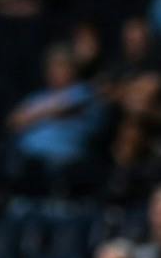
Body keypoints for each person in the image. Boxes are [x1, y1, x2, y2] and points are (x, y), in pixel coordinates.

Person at [8, 45, 107, 174]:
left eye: (61, 65)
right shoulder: (38, 96)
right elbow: (13, 121)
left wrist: (33, 114)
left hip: (64, 164)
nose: (54, 71)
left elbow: (64, 106)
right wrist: (43, 111)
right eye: (51, 66)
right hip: (27, 161)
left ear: (73, 69)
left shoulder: (84, 91)